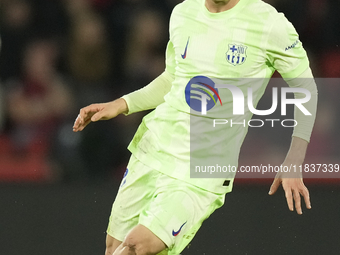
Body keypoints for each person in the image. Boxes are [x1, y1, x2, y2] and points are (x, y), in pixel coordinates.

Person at [73, 0, 318, 254]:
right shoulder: (183, 12)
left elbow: (306, 89)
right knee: (114, 247)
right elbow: (173, 78)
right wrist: (123, 103)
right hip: (153, 149)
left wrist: (294, 158)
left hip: (201, 170)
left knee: (137, 246)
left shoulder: (269, 24)